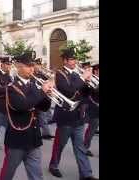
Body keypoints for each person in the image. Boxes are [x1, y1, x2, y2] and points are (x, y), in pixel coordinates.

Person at [0, 52, 53, 180]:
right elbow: (23, 105)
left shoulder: (34, 85)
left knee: (36, 174)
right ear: (18, 66)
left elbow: (43, 107)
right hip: (17, 139)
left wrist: (48, 96)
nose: (32, 69)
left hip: (33, 137)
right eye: (28, 66)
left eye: (32, 66)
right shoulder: (12, 88)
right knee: (8, 172)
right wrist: (42, 92)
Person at [48, 48, 99, 180]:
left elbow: (85, 94)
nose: (74, 61)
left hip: (78, 116)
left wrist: (90, 85)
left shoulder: (77, 74)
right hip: (65, 117)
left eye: (74, 59)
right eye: (71, 59)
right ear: (65, 60)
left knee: (80, 147)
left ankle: (86, 174)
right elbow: (69, 91)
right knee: (60, 145)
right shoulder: (60, 74)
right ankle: (53, 165)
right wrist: (83, 78)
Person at [33, 58, 55, 140]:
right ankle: (46, 133)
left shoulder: (42, 75)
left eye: (39, 65)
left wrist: (51, 78)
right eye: (37, 64)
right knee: (41, 117)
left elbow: (50, 83)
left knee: (42, 117)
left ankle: (44, 133)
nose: (38, 66)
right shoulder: (32, 75)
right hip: (36, 99)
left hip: (44, 99)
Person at [83, 63, 99, 157]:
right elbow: (88, 96)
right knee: (91, 130)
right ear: (96, 71)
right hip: (94, 109)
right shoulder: (91, 81)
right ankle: (85, 147)